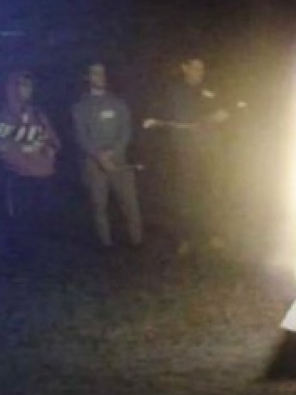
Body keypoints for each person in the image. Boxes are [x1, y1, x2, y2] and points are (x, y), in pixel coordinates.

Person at [145, 56, 230, 254]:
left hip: (210, 151)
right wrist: (208, 118)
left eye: (202, 68)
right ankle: (184, 238)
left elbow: (226, 107)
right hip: (186, 152)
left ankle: (212, 234)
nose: (199, 72)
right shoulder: (176, 91)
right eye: (194, 68)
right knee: (186, 196)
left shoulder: (211, 88)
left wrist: (224, 113)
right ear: (184, 68)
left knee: (211, 194)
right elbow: (183, 119)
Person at [72, 62, 143, 248]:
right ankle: (106, 246)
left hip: (119, 161)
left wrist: (114, 152)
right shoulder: (80, 106)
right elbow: (80, 136)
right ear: (88, 77)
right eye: (95, 73)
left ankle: (137, 242)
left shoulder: (118, 103)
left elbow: (126, 131)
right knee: (99, 206)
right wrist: (99, 156)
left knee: (131, 204)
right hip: (94, 164)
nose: (100, 76)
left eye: (102, 73)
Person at [0, 71, 60, 236]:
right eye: (23, 85)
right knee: (21, 226)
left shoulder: (38, 115)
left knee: (43, 224)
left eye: (29, 85)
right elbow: (4, 149)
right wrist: (23, 155)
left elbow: (54, 141)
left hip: (43, 179)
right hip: (20, 180)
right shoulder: (4, 118)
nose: (28, 90)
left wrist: (50, 149)